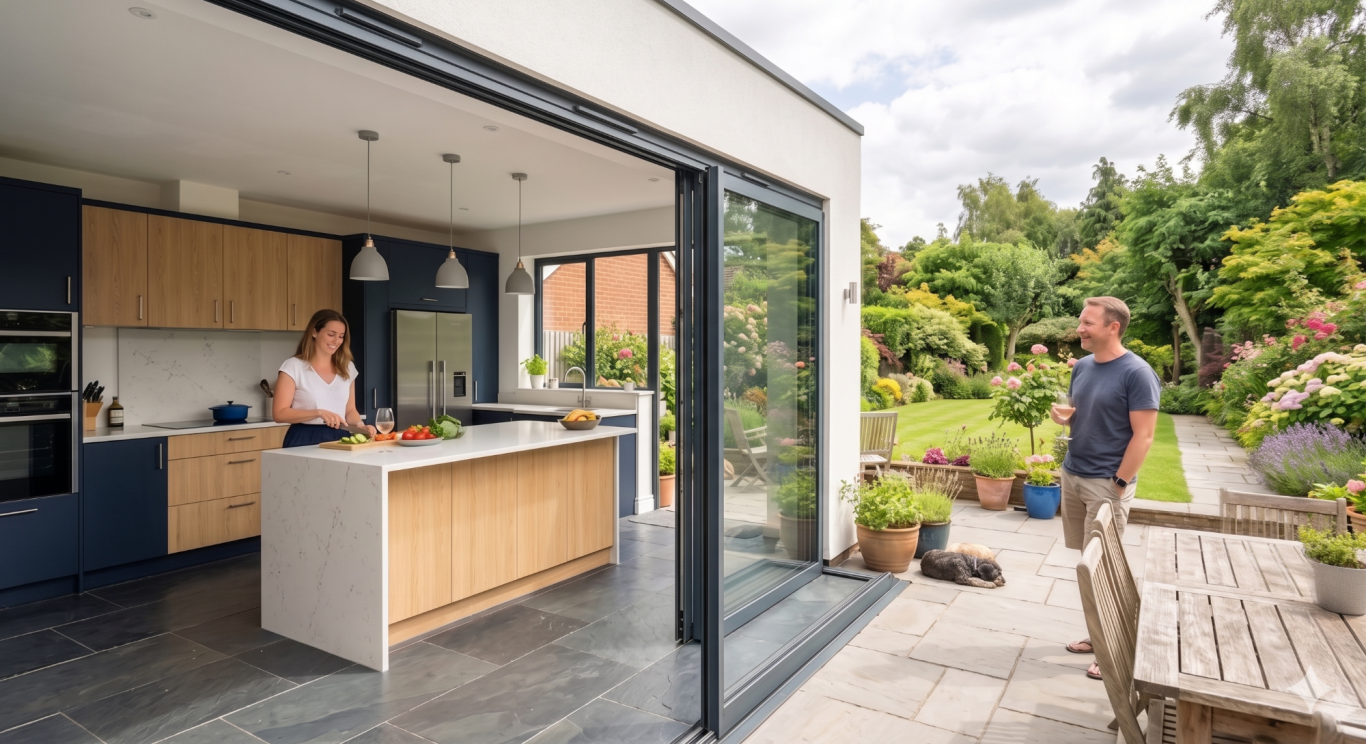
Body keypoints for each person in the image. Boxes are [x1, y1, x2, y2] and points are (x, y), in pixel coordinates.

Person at [1050, 296, 1159, 680]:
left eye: (1088, 323)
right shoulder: (1082, 367)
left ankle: (1114, 650)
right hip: (1074, 473)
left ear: (1113, 327)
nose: (1079, 328)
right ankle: (1099, 638)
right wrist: (1063, 419)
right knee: (1087, 565)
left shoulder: (1137, 372)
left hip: (1105, 484)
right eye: (1081, 321)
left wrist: (1118, 484)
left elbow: (1144, 437)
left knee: (1107, 568)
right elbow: (1087, 416)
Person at [274, 308, 375, 448]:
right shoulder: (293, 366)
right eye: (331, 334)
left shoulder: (347, 367)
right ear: (314, 332)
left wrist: (360, 425)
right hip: (303, 438)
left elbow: (350, 410)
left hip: (340, 436)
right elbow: (279, 414)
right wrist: (318, 413)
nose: (336, 341)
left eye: (341, 336)